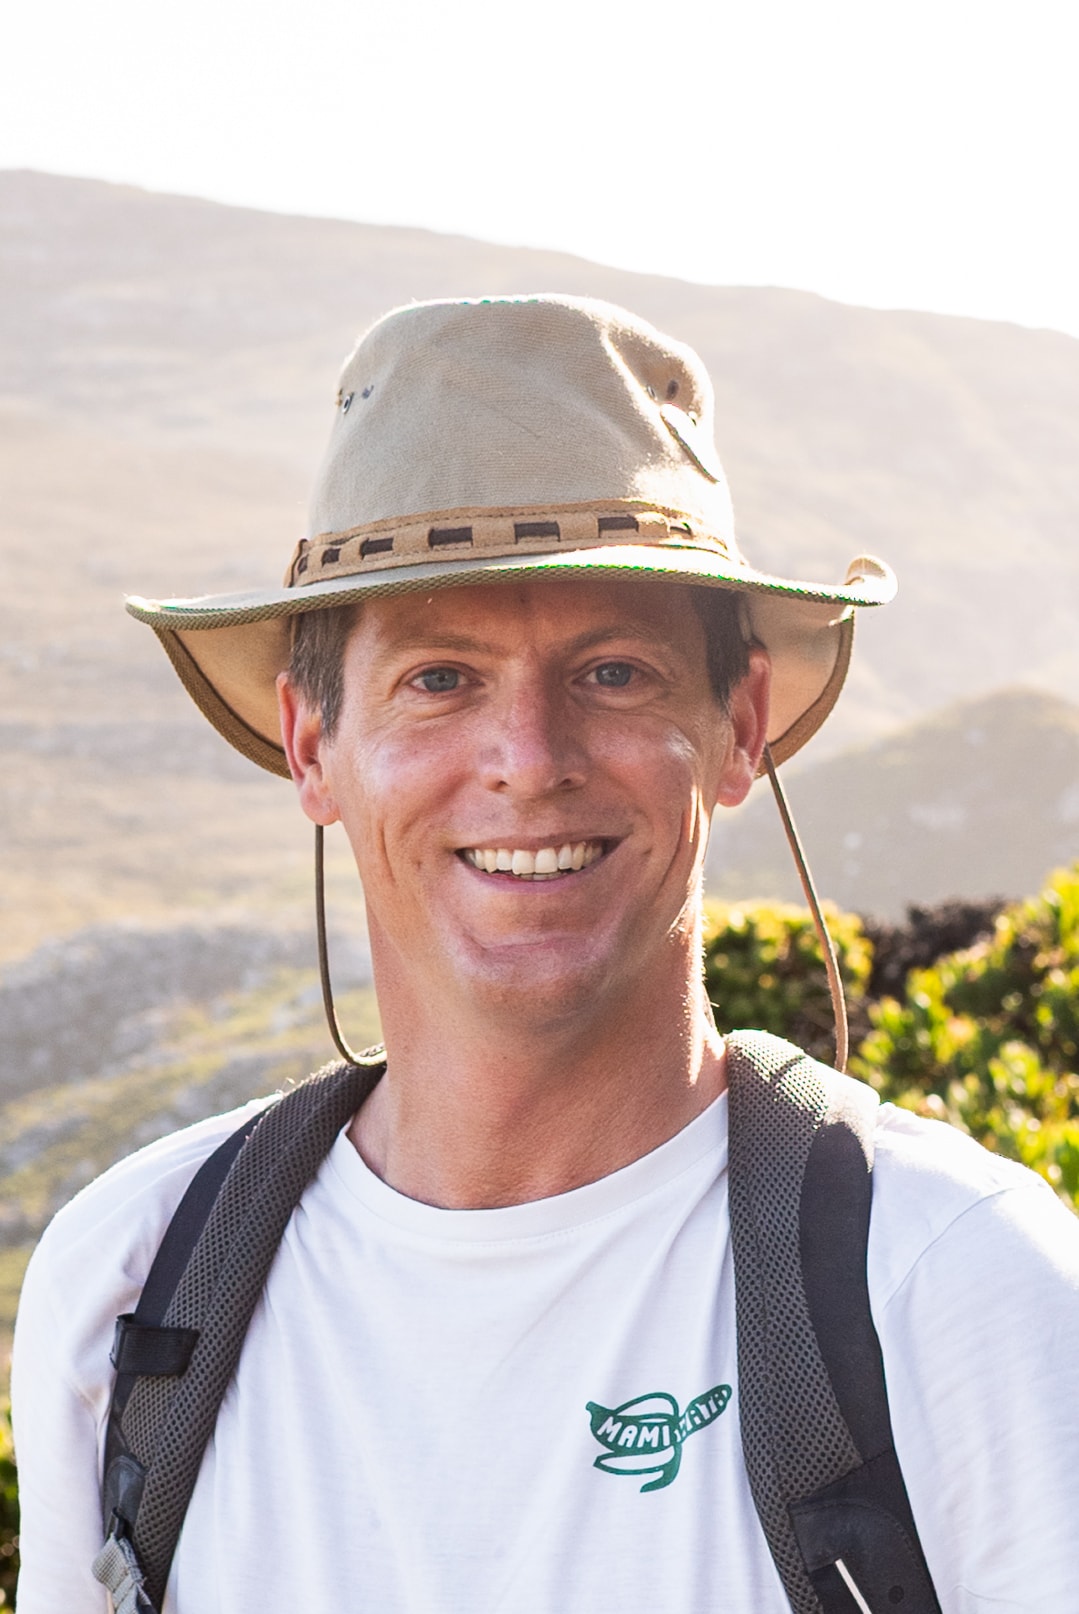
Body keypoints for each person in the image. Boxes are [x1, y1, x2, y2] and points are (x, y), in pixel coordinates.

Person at [11, 294, 1079, 1613]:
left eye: (614, 672)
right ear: (311, 743)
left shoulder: (959, 1287)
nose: (528, 760)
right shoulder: (126, 1289)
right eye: (439, 678)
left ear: (741, 724)